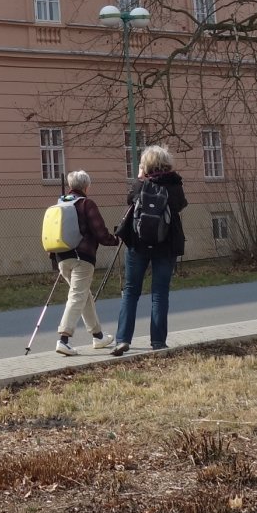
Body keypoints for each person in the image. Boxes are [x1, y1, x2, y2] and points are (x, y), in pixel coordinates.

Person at [110, 144, 187, 355]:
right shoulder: (174, 185)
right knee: (160, 293)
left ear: (145, 165)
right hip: (166, 244)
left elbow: (130, 200)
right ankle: (158, 342)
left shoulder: (140, 185)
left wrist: (140, 177)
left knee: (130, 291)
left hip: (138, 244)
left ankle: (123, 339)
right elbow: (180, 205)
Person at [49, 170, 119, 356]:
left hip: (62, 258)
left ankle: (98, 336)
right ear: (87, 186)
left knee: (84, 295)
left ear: (70, 185)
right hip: (82, 258)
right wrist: (115, 240)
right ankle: (63, 339)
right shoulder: (87, 204)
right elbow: (100, 231)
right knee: (77, 296)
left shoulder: (61, 204)